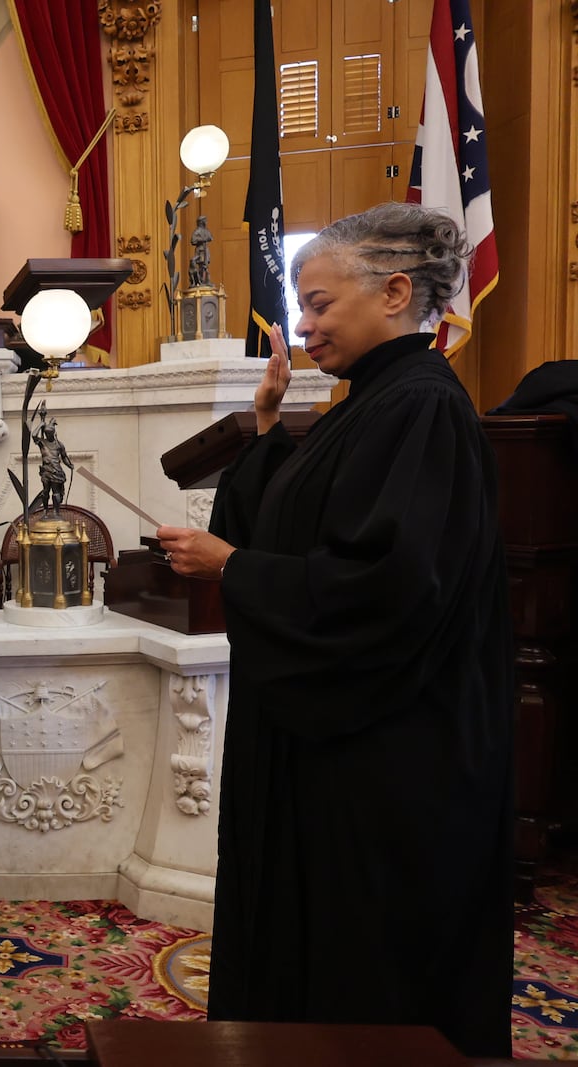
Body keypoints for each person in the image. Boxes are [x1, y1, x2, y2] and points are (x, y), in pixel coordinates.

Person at [155, 202, 513, 1057]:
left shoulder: (420, 408)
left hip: (388, 761)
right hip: (340, 751)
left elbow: (386, 586)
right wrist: (272, 424)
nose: (302, 326)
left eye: (318, 304)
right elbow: (293, 525)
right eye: (302, 307)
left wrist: (232, 569)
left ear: (394, 292)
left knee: (366, 967)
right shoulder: (366, 402)